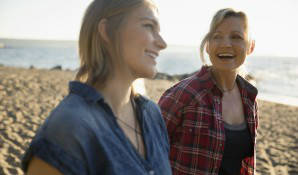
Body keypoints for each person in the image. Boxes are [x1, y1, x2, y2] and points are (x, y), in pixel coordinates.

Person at [21, 0, 171, 174]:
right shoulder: (68, 129)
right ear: (106, 30)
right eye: (148, 26)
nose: (162, 43)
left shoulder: (152, 114)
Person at [158, 8, 258, 175]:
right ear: (208, 46)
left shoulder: (249, 99)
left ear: (250, 46)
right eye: (217, 36)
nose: (226, 44)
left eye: (236, 37)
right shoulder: (183, 94)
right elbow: (146, 153)